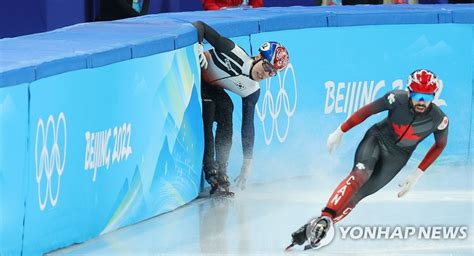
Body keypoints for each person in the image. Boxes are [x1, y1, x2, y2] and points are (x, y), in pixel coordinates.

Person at [287, 69, 449, 250]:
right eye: (418, 95)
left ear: (434, 96)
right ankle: (326, 216)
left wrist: (417, 173)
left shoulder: (439, 119)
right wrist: (341, 130)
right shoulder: (395, 99)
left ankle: (318, 225)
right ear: (409, 92)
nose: (421, 101)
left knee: (358, 196)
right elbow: (368, 111)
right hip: (377, 139)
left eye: (427, 97)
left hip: (397, 158)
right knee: (360, 175)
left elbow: (440, 145)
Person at [192, 21, 289, 197]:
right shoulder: (233, 51)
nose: (265, 74)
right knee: (210, 108)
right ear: (259, 57)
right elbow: (200, 25)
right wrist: (199, 45)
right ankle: (210, 168)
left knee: (227, 109)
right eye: (267, 67)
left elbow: (247, 127)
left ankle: (222, 170)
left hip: (211, 87)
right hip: (195, 79)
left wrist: (247, 163)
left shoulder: (252, 90)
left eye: (272, 73)